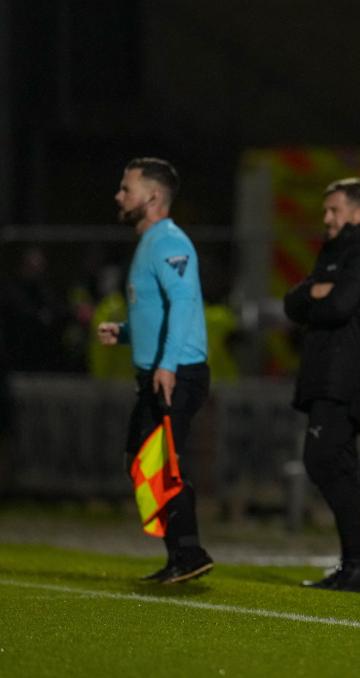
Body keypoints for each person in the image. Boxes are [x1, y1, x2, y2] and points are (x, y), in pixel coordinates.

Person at [97, 157, 213, 583]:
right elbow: (160, 312)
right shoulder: (150, 242)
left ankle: (189, 552)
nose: (119, 195)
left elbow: (185, 303)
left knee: (159, 462)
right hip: (160, 372)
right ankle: (180, 554)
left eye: (126, 188)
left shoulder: (168, 241)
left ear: (152, 196)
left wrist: (166, 365)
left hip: (177, 372)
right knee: (141, 459)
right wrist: (126, 333)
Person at [283, 177, 360, 593]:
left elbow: (338, 305)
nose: (326, 219)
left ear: (357, 210)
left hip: (345, 372)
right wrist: (314, 293)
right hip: (327, 370)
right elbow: (292, 302)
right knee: (336, 464)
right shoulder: (339, 250)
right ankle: (359, 559)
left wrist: (314, 297)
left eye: (334, 210)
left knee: (322, 459)